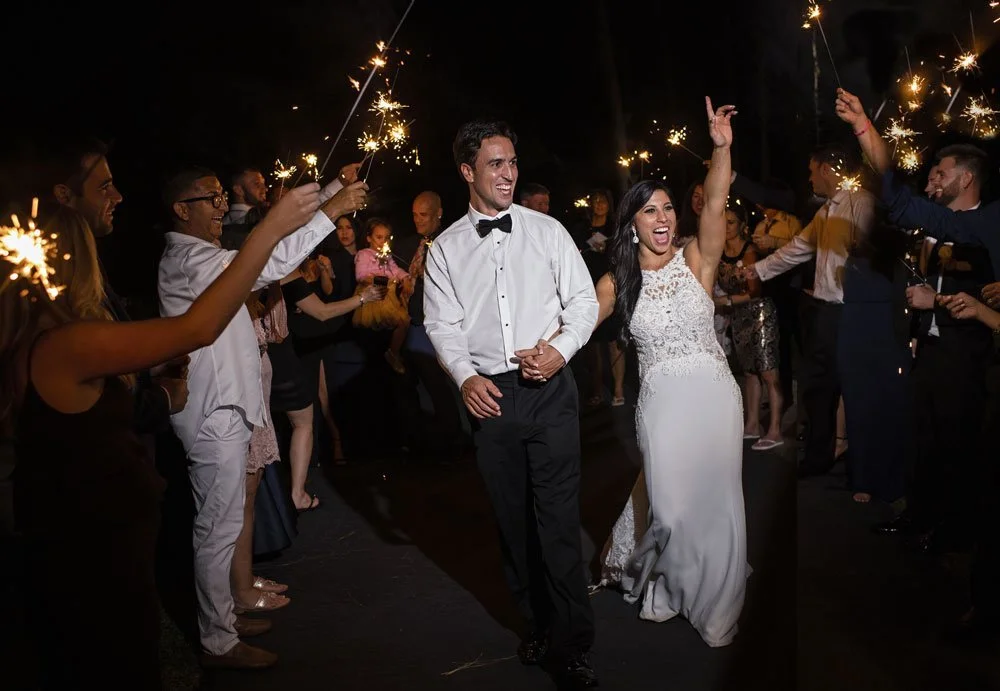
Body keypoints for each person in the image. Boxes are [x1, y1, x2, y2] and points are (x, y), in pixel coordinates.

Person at [2, 188, 320, 688]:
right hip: (95, 534)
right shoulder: (67, 342)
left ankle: (220, 626)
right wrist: (274, 225)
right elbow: (198, 327)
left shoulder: (37, 341)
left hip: (76, 528)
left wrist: (156, 387)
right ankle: (216, 641)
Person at [157, 162, 367, 669]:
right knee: (217, 528)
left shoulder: (207, 254)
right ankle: (218, 642)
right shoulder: (186, 261)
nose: (221, 206)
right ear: (181, 209)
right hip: (211, 414)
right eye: (210, 198)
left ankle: (224, 616)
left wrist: (333, 189)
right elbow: (269, 263)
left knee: (226, 522)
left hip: (229, 408)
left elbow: (269, 254)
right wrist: (331, 210)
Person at [423, 119, 599, 688]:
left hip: (550, 392)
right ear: (467, 171)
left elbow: (583, 304)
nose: (508, 173)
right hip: (491, 399)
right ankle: (538, 623)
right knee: (512, 521)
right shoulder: (446, 248)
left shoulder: (547, 231)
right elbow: (442, 326)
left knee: (557, 520)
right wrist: (464, 377)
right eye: (495, 164)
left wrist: (560, 351)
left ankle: (573, 644)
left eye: (512, 162)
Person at [593, 98, 748, 648]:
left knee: (719, 499)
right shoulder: (616, 283)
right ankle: (671, 583)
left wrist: (721, 147)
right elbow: (576, 324)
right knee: (674, 508)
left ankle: (717, 605)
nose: (662, 219)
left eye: (666, 209)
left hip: (713, 394)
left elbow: (718, 198)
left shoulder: (697, 260)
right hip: (660, 400)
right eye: (649, 212)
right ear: (631, 224)